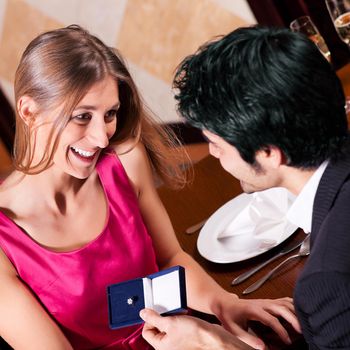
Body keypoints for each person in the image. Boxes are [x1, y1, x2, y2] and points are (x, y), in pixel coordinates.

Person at [0, 25, 300, 350]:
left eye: (110, 114)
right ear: (29, 112)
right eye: (82, 117)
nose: (102, 137)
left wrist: (224, 304)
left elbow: (170, 258)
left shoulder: (125, 161)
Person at [140, 25, 350, 349]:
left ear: (268, 153)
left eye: (216, 143)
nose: (211, 152)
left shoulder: (326, 285)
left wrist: (218, 345)